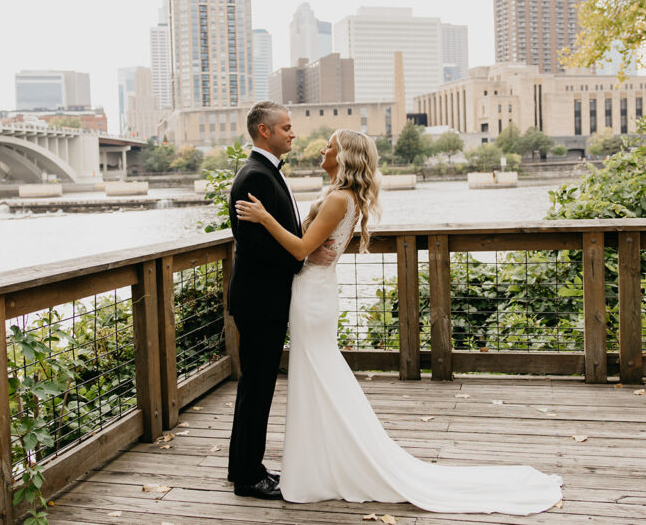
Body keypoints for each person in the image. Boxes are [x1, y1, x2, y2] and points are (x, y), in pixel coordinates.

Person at [235, 128, 564, 515]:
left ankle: (332, 463)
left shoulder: (339, 199)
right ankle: (321, 462)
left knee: (317, 373)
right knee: (317, 375)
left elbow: (303, 249)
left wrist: (264, 217)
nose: (322, 149)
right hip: (315, 292)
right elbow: (310, 245)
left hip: (312, 297)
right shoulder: (341, 197)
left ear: (343, 158)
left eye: (330, 146)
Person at [225, 100, 335, 500]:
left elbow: (278, 232)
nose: (294, 133)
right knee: (257, 388)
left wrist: (302, 245)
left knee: (255, 387)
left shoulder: (265, 173)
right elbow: (254, 247)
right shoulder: (255, 176)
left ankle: (244, 465)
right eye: (286, 127)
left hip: (263, 300)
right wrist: (301, 256)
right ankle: (248, 477)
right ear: (265, 132)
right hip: (259, 302)